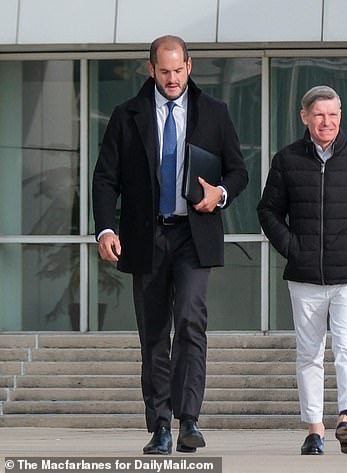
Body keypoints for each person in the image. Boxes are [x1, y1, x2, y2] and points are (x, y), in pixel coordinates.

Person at [92, 35, 248, 455]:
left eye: (179, 71)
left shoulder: (214, 113)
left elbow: (238, 171)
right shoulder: (127, 115)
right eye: (165, 72)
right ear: (151, 70)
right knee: (155, 334)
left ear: (189, 67)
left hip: (193, 235)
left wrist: (221, 194)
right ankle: (160, 424)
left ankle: (189, 420)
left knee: (191, 321)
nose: (173, 78)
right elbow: (105, 178)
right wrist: (106, 229)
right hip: (147, 237)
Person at [257, 86, 347, 455]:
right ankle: (314, 429)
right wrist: (292, 248)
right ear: (304, 116)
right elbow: (268, 211)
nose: (327, 122)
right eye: (319, 114)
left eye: (333, 114)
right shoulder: (287, 160)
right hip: (304, 276)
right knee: (309, 353)